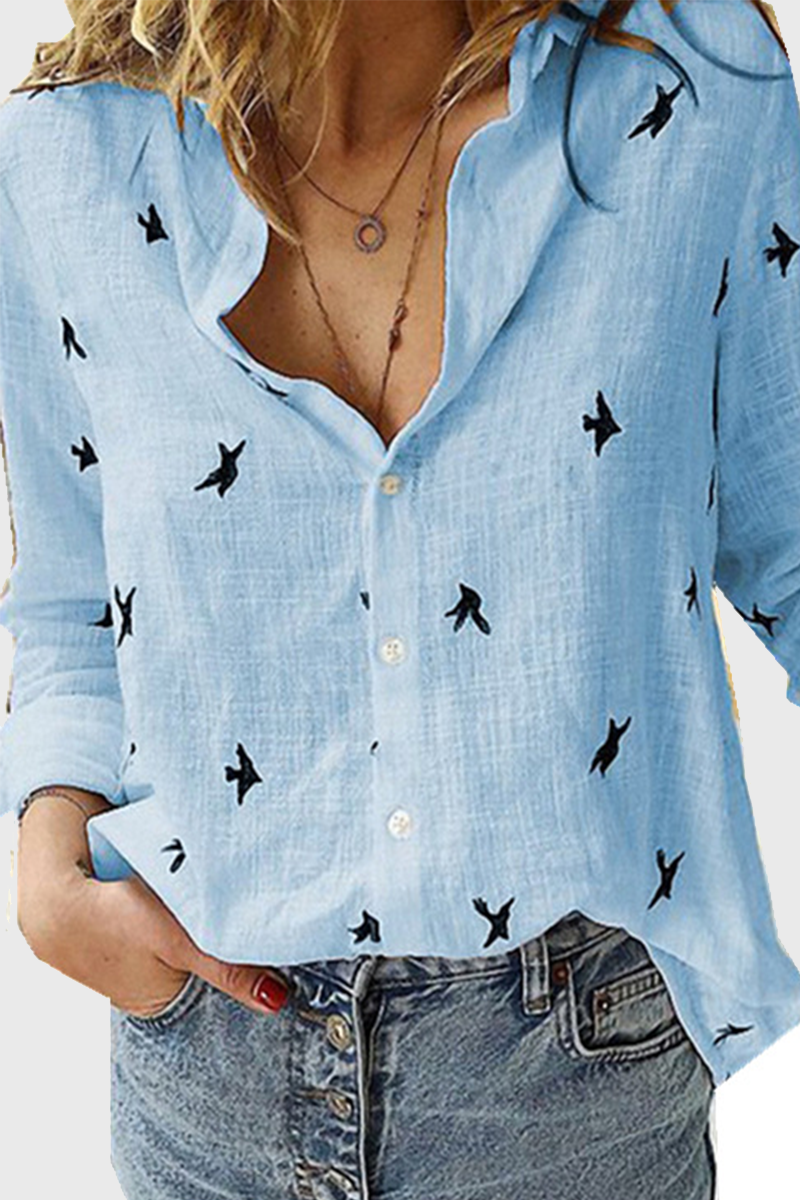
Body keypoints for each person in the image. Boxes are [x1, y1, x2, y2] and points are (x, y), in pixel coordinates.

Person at [0, 0, 798, 1194]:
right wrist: (49, 855)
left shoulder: (681, 88)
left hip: (574, 1088)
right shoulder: (70, 153)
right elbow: (76, 601)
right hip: (201, 1074)